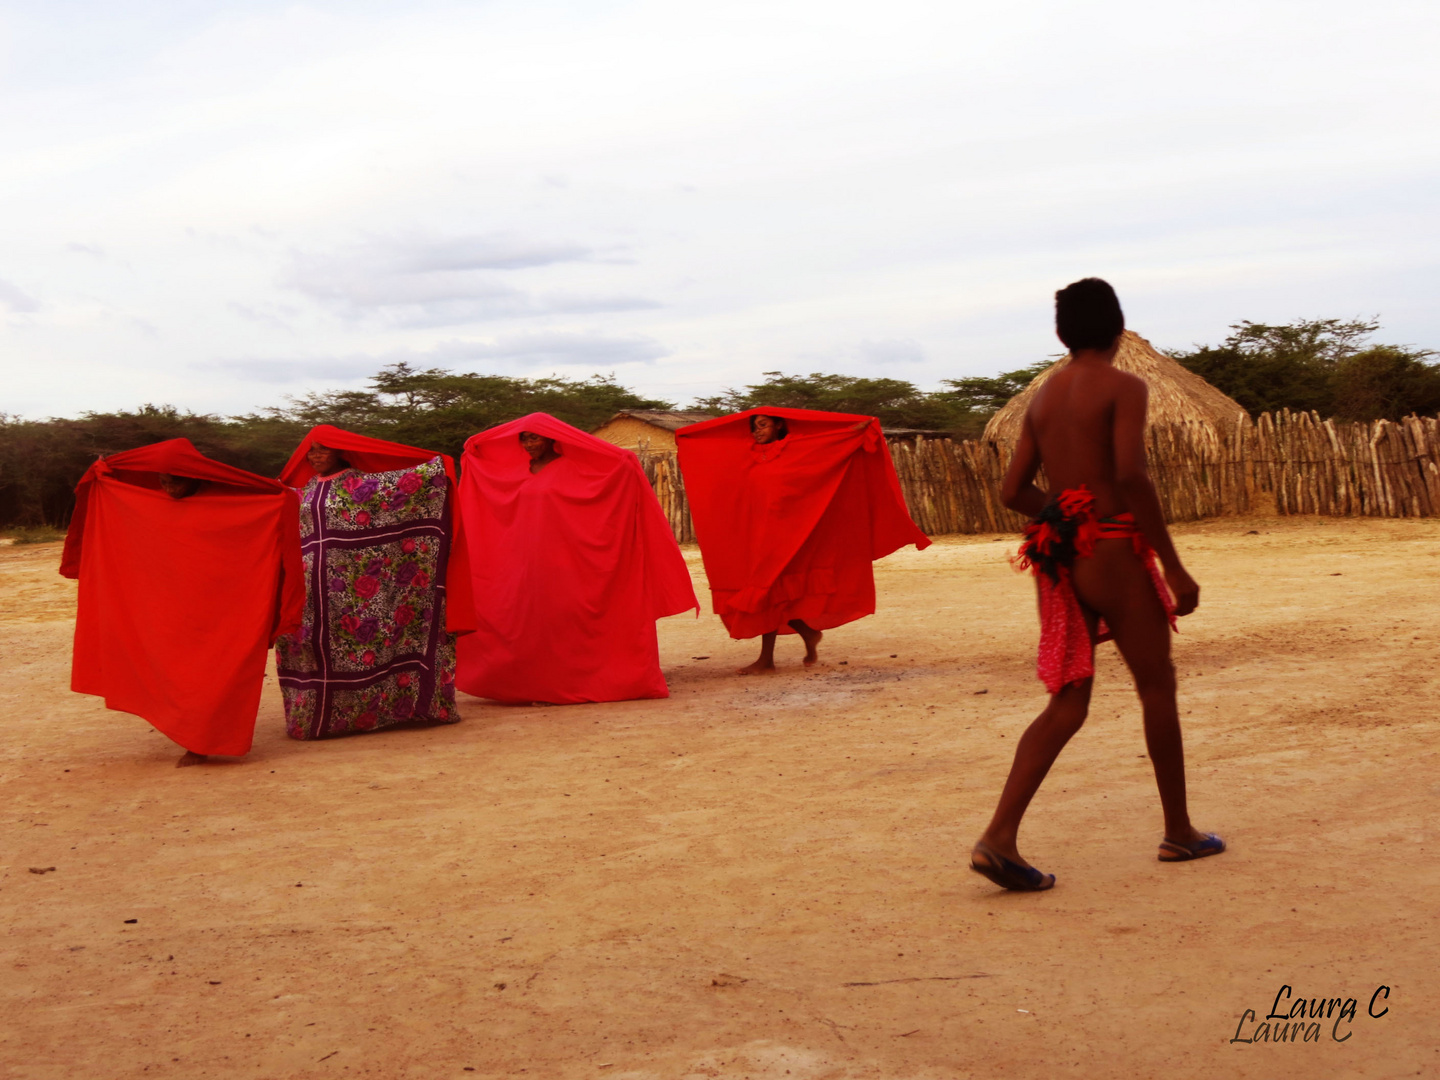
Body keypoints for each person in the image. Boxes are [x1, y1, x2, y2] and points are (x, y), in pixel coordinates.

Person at [970, 277, 1223, 892]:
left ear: (1062, 333)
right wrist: (1171, 563)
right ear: (1117, 328)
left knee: (1069, 702)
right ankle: (1180, 831)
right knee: (1156, 685)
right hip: (1112, 549)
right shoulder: (1124, 385)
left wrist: (1062, 517)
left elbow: (1012, 493)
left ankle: (998, 837)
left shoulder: (1044, 399)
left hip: (1061, 558)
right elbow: (1132, 475)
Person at [61, 438, 304, 765]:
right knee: (178, 671)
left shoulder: (227, 505)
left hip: (223, 607)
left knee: (215, 672)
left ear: (195, 476)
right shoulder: (152, 506)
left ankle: (200, 743)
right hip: (174, 608)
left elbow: (256, 530)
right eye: (163, 481)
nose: (169, 487)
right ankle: (192, 737)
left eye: (176, 480)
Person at [454, 414, 698, 705]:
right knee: (531, 622)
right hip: (524, 563)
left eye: (535, 437)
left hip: (567, 561)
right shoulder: (517, 472)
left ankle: (574, 682)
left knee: (567, 621)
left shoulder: (572, 468)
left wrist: (626, 464)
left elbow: (600, 489)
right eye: (524, 439)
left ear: (551, 438)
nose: (529, 444)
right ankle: (532, 684)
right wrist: (473, 452)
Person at [676, 407, 930, 673]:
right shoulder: (746, 455)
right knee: (770, 593)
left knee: (766, 590)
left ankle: (768, 659)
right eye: (754, 426)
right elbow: (716, 464)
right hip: (757, 536)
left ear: (778, 426)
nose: (756, 431)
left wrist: (857, 428)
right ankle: (806, 634)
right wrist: (687, 439)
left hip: (790, 536)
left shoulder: (797, 449)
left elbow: (832, 446)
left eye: (762, 425)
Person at [274, 425, 476, 739]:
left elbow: (402, 492)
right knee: (311, 646)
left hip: (351, 592)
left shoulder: (361, 483)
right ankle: (317, 719)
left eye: (322, 448)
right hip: (310, 588)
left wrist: (437, 468)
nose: (316, 456)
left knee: (359, 647)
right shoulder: (303, 489)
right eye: (310, 450)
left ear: (340, 450)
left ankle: (389, 711)